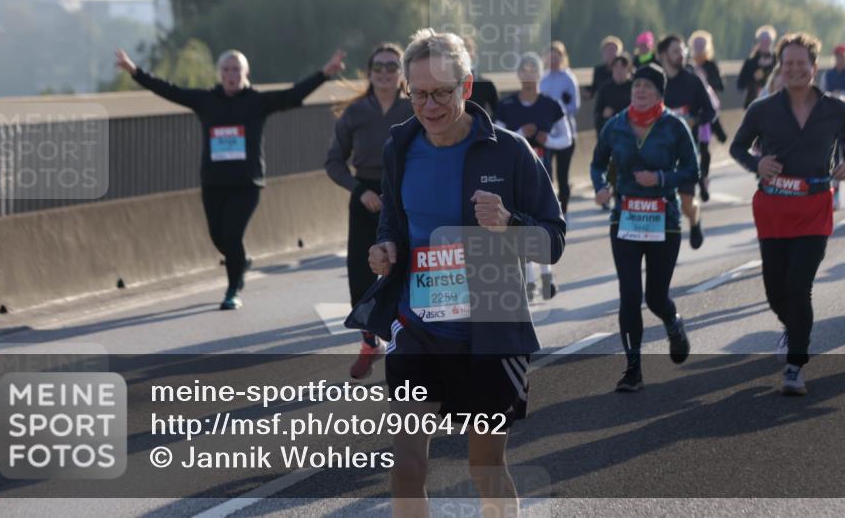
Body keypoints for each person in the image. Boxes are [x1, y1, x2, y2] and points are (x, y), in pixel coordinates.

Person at [344, 29, 565, 517]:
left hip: (489, 332)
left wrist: (509, 224)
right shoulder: (400, 147)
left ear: (466, 87)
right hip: (417, 328)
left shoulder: (508, 152)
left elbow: (553, 242)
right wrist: (385, 249)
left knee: (484, 466)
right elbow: (394, 224)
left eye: (441, 92)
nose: (429, 105)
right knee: (405, 467)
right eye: (417, 93)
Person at [115, 46, 344, 310]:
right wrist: (134, 71)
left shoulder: (257, 102)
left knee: (233, 235)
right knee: (218, 238)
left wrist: (324, 73)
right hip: (213, 182)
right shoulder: (206, 101)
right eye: (226, 69)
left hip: (247, 184)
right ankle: (240, 260)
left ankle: (233, 289)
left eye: (236, 69)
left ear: (245, 73)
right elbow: (168, 90)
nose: (231, 74)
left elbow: (293, 95)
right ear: (220, 73)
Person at [730, 32, 845, 396]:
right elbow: (737, 147)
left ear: (814, 66)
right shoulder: (763, 109)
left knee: (799, 285)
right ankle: (793, 327)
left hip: (814, 206)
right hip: (773, 208)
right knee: (775, 289)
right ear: (781, 67)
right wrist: (757, 163)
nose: (794, 69)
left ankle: (795, 366)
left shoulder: (835, 107)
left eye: (801, 63)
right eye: (788, 64)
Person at [591, 62, 696, 391]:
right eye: (637, 85)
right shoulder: (615, 125)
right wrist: (600, 187)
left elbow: (693, 171)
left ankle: (673, 322)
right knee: (629, 295)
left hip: (664, 219)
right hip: (625, 218)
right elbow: (596, 164)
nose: (639, 91)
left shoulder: (674, 126)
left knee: (655, 296)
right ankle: (632, 368)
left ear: (659, 93)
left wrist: (661, 178)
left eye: (647, 87)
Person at [325, 43, 413, 379]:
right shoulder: (356, 112)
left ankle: (405, 342)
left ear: (402, 72)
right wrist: (360, 191)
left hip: (404, 199)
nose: (386, 72)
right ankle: (369, 343)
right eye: (379, 66)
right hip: (364, 199)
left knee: (403, 272)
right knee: (360, 277)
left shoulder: (413, 108)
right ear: (369, 72)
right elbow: (333, 162)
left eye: (393, 66)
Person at [494, 52, 573, 300]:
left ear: (540, 73)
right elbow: (495, 137)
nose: (528, 75)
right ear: (518, 74)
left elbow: (567, 139)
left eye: (533, 70)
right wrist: (518, 132)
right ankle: (529, 280)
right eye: (524, 70)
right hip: (514, 174)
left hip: (543, 174)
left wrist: (546, 139)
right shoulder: (506, 106)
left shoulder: (551, 106)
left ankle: (547, 275)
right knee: (520, 223)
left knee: (543, 224)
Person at [658, 34, 716, 249]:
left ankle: (694, 218)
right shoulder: (654, 82)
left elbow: (710, 111)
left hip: (686, 151)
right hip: (659, 151)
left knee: (686, 203)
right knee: (657, 203)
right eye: (675, 51)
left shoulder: (693, 81)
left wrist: (694, 120)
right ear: (663, 55)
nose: (681, 54)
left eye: (682, 50)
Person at [540, 41, 581, 214]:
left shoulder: (568, 78)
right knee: (546, 173)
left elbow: (575, 105)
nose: (554, 61)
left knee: (562, 176)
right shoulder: (542, 79)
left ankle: (563, 210)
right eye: (550, 58)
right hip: (546, 134)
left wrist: (559, 114)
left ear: (562, 58)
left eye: (556, 57)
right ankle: (549, 209)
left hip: (565, 133)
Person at [689, 29, 727, 202]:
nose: (699, 48)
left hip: (707, 111)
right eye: (696, 45)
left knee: (704, 147)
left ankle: (703, 177)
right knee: (690, 148)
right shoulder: (687, 66)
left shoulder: (711, 65)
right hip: (690, 112)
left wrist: (706, 81)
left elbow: (720, 85)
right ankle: (693, 177)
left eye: (702, 45)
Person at [821, 44, 845, 209]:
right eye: (838, 56)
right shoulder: (827, 75)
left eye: (843, 56)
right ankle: (834, 194)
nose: (840, 59)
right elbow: (821, 95)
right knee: (833, 160)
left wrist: (843, 95)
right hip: (832, 122)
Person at [737, 25, 778, 108]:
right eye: (762, 40)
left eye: (768, 40)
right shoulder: (750, 61)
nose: (765, 42)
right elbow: (740, 84)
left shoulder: (777, 60)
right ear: (758, 41)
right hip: (754, 102)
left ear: (772, 41)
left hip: (774, 101)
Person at [594, 54, 633, 134]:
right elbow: (598, 113)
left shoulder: (634, 87)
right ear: (612, 69)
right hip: (610, 132)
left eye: (623, 67)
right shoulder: (605, 88)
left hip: (630, 132)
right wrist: (603, 116)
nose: (619, 70)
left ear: (628, 69)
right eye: (616, 67)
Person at [464, 35, 500, 118]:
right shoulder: (449, 86)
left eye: (467, 50)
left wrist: (485, 127)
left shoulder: (486, 85)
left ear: (472, 55)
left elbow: (498, 114)